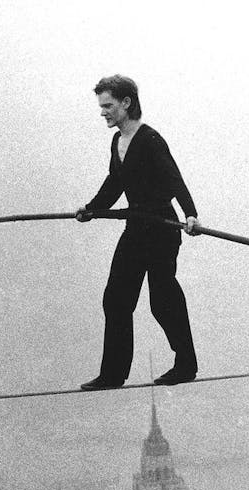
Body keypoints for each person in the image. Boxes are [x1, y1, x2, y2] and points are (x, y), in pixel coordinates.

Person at [76, 74, 200, 391]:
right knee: (116, 299)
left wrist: (191, 214)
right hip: (136, 228)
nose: (103, 112)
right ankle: (113, 374)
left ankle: (186, 365)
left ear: (126, 103)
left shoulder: (150, 139)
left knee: (163, 299)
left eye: (108, 105)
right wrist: (91, 209)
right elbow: (114, 184)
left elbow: (174, 179)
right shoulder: (118, 141)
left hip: (160, 228)